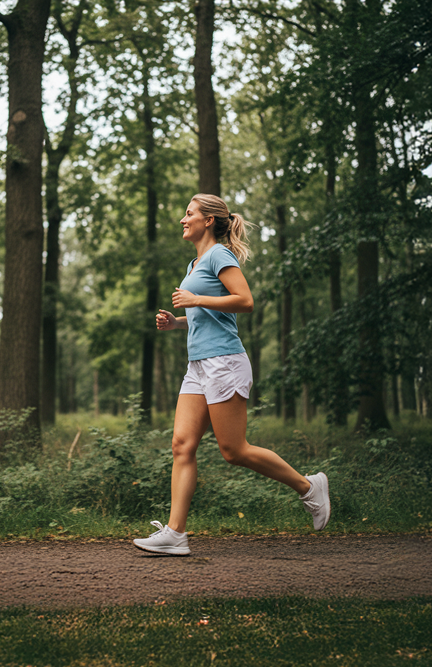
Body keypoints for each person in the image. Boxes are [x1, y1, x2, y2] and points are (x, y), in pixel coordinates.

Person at [133, 194, 331, 556]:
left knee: (233, 449)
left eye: (189, 213)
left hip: (224, 361)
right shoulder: (194, 266)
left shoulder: (219, 255)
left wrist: (195, 301)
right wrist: (176, 322)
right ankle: (176, 534)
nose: (183, 219)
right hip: (198, 365)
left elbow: (245, 301)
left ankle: (309, 487)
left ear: (208, 220)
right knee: (182, 444)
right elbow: (206, 317)